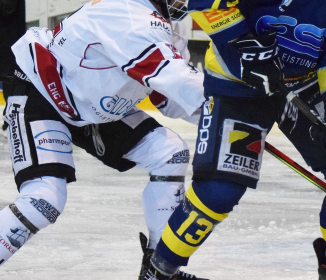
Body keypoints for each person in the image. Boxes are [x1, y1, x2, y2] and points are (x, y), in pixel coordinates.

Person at [144, 0, 326, 279]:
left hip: (305, 83)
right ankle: (159, 271)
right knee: (218, 191)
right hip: (237, 80)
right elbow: (207, 3)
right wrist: (243, 46)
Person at [1, 0, 206, 279]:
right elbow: (171, 76)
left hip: (89, 104)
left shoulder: (167, 25)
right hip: (42, 89)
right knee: (43, 198)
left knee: (169, 152)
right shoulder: (127, 13)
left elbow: (168, 97)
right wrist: (232, 113)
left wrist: (223, 120)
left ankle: (160, 272)